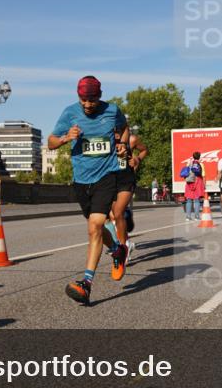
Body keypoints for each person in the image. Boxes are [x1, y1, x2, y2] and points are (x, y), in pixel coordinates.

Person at [48, 75, 128, 305]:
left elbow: (124, 129)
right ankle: (116, 249)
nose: (87, 105)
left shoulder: (112, 111)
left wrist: (122, 145)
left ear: (99, 96)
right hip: (81, 180)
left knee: (94, 227)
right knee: (96, 228)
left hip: (106, 175)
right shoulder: (70, 112)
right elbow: (50, 142)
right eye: (83, 100)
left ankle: (86, 283)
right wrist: (65, 138)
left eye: (91, 100)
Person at [108, 124, 148, 274]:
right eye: (113, 130)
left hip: (126, 180)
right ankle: (127, 242)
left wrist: (137, 159)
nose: (116, 133)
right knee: (112, 216)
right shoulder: (107, 141)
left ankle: (122, 248)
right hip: (111, 181)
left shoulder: (132, 140)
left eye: (118, 130)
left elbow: (144, 150)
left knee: (118, 213)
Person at [182, 151, 206, 221]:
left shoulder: (189, 163)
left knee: (189, 200)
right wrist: (204, 185)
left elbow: (185, 173)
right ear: (199, 157)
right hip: (198, 181)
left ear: (193, 156)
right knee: (197, 200)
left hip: (189, 182)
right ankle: (197, 216)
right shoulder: (201, 164)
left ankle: (188, 216)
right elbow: (203, 175)